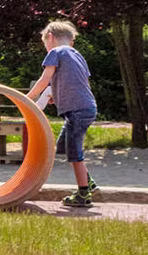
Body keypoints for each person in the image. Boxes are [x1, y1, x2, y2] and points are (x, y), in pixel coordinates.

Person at [27, 18, 98, 208]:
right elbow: (81, 83)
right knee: (64, 147)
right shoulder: (77, 55)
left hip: (77, 111)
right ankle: (88, 182)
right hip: (86, 107)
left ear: (50, 37)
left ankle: (84, 194)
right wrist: (57, 96)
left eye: (45, 44)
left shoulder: (55, 52)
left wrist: (28, 97)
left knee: (74, 152)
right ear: (71, 40)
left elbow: (45, 79)